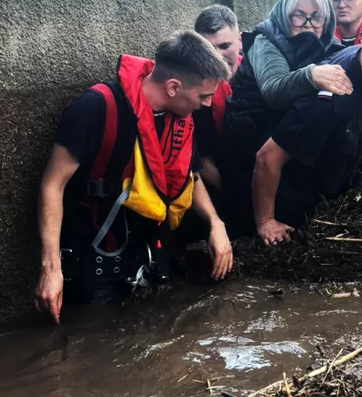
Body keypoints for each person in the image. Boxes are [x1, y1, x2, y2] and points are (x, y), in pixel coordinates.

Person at [34, 32, 234, 323]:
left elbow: (190, 175)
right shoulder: (96, 108)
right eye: (203, 96)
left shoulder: (179, 119)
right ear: (173, 87)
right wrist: (51, 269)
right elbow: (52, 185)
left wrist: (215, 224)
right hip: (95, 261)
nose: (206, 104)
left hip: (149, 254)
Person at [251, 1, 362, 245]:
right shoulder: (331, 97)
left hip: (330, 201)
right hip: (293, 212)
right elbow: (267, 157)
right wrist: (266, 222)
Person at [220, 0, 350, 236]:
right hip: (248, 133)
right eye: (299, 15)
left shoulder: (328, 45)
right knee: (243, 214)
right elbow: (274, 91)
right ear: (284, 15)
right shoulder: (265, 40)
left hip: (281, 136)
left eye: (316, 17)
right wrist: (312, 74)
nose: (308, 24)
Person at [192, 5, 242, 193]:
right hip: (221, 183)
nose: (218, 57)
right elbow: (204, 161)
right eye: (209, 49)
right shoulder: (194, 90)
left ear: (240, 40)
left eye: (225, 46)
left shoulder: (260, 75)